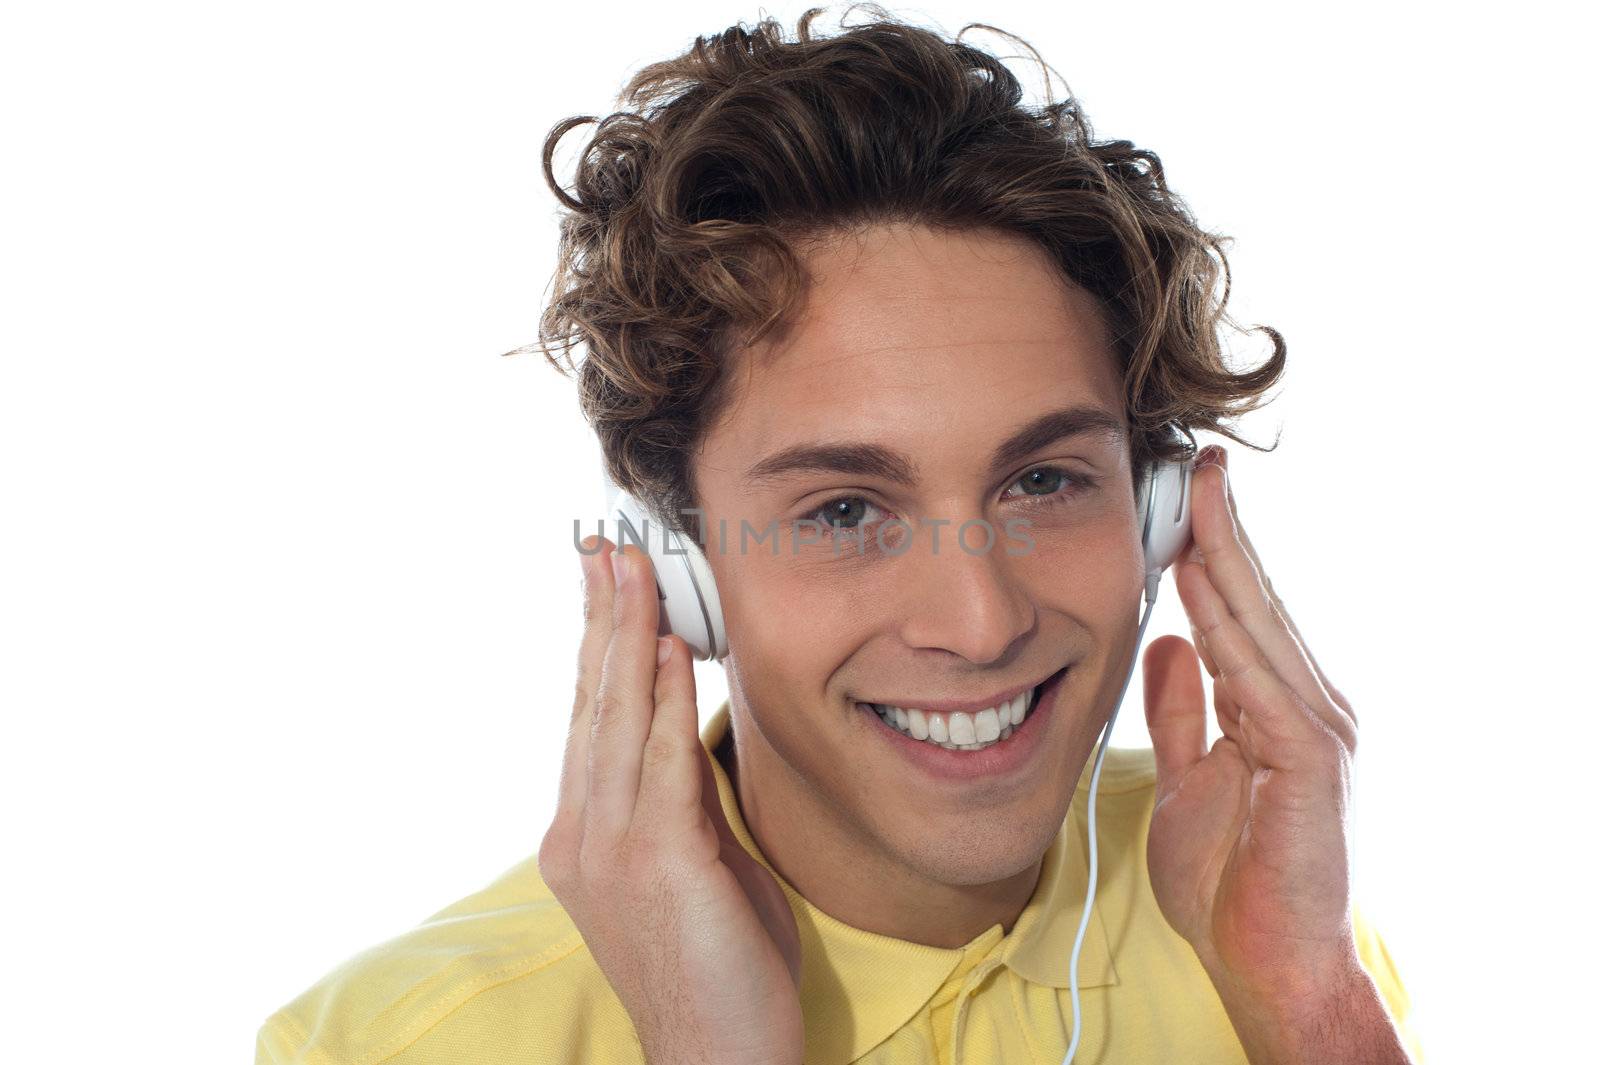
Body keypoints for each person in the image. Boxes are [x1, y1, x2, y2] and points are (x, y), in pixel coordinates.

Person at [255, 7, 1423, 1063]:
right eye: (845, 510)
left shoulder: (1262, 900)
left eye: (1043, 481)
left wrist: (1306, 994)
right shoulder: (386, 1046)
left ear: (1161, 515)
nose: (979, 626)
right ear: (682, 572)